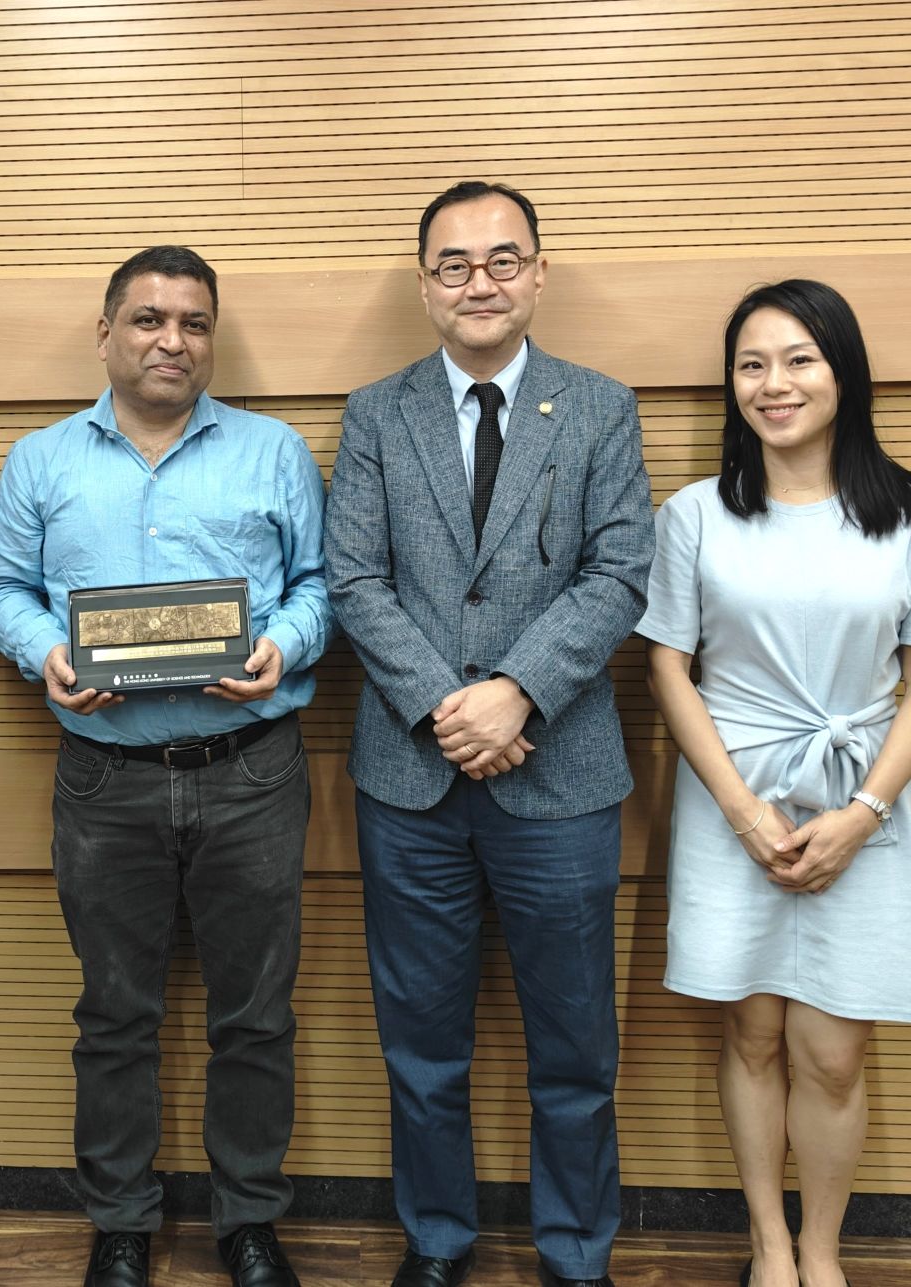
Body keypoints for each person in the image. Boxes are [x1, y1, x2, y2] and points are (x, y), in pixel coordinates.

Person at [636, 279, 911, 1287]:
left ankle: (821, 1250)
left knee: (832, 1048)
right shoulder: (694, 514)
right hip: (731, 800)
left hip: (863, 798)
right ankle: (766, 1247)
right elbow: (668, 663)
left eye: (798, 359)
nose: (773, 383)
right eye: (750, 364)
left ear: (841, 370)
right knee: (749, 1032)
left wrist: (862, 812)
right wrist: (744, 812)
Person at [0, 246, 329, 1287]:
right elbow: (1, 586)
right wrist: (44, 650)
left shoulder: (273, 453)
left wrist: (284, 649)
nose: (170, 340)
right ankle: (120, 1222)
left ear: (210, 337)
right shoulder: (41, 460)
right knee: (113, 1013)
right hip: (103, 778)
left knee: (255, 1012)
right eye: (146, 320)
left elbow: (317, 584)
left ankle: (248, 1220)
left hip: (252, 771)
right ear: (106, 334)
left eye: (192, 322)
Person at [324, 181, 653, 1287]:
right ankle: (436, 1242)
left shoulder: (600, 407)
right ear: (425, 285)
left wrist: (515, 689)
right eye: (454, 265)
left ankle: (574, 1252)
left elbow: (619, 573)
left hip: (560, 777)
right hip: (407, 779)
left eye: (501, 260)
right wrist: (446, 705)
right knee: (420, 1048)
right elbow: (353, 580)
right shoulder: (375, 413)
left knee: (574, 1051)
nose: (480, 283)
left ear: (538, 274)